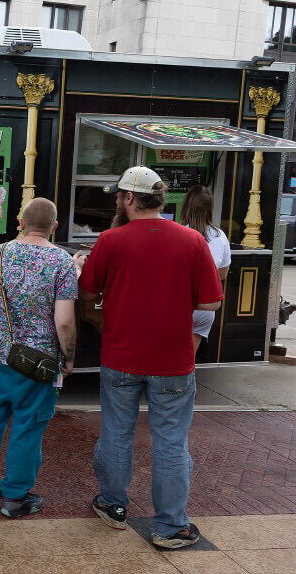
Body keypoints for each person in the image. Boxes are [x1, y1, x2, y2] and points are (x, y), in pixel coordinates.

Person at [75, 166, 223, 549]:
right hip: (173, 361)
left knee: (116, 433)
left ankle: (112, 504)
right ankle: (170, 527)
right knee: (171, 442)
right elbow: (210, 301)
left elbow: (87, 293)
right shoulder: (192, 241)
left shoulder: (110, 240)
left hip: (121, 356)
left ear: (128, 198)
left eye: (119, 197)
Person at [0, 197, 78, 518]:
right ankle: (15, 497)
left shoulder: (0, 254)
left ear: (21, 222)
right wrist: (68, 359)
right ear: (54, 227)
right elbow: (64, 320)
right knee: (28, 426)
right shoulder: (63, 262)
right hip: (38, 363)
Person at [180, 185, 231, 350]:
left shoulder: (179, 233)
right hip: (206, 307)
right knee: (189, 359)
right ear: (210, 207)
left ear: (186, 205)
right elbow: (222, 274)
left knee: (169, 359)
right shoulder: (220, 235)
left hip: (180, 304)